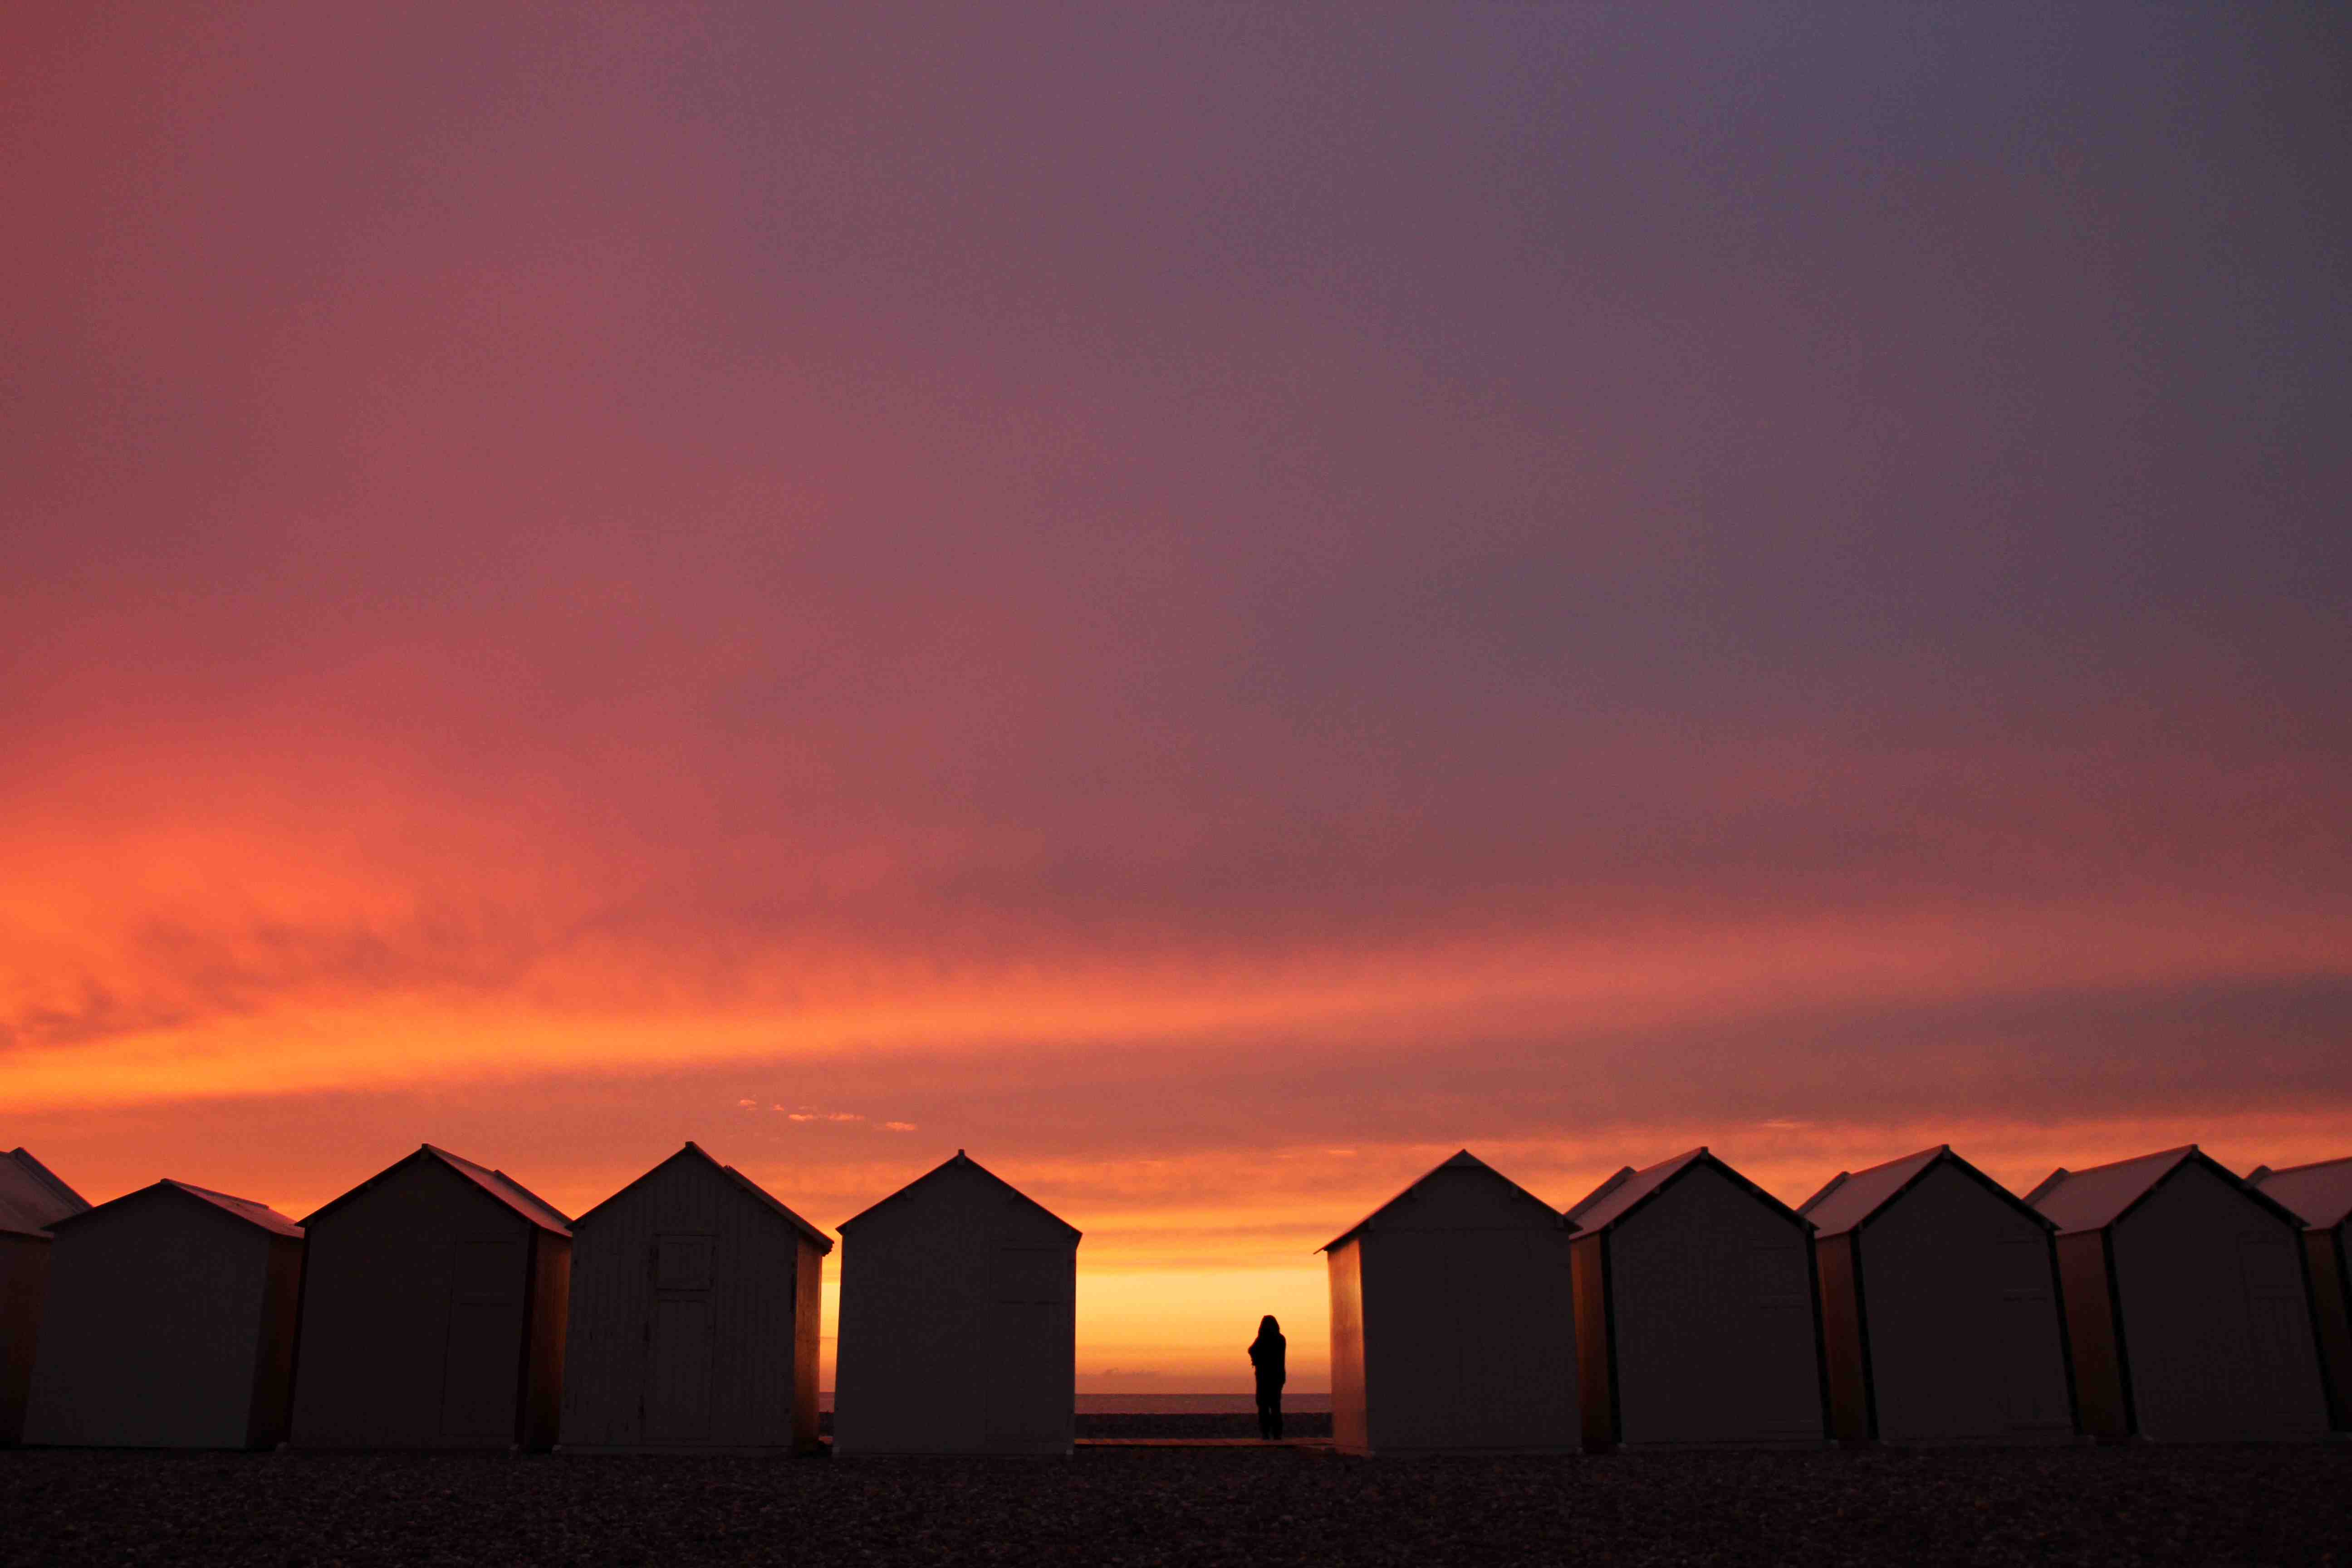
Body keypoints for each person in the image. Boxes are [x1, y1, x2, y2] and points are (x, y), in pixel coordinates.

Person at [1248, 1314, 1287, 1441]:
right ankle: (1277, 1434)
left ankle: (1266, 1433)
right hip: (1277, 1376)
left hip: (1264, 1377)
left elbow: (1251, 1350)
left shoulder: (1262, 1339)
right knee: (1275, 1406)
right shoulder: (1281, 1339)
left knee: (1264, 1406)